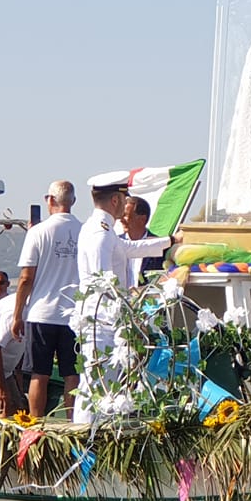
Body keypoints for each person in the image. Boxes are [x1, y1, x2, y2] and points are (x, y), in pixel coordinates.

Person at [72, 172, 175, 418]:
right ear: (116, 200)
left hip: (105, 318)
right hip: (102, 319)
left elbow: (128, 249)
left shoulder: (101, 228)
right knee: (98, 387)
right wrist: (131, 299)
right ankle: (87, 442)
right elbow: (103, 280)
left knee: (103, 386)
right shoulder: (100, 234)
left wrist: (169, 241)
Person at [9, 180, 82, 418]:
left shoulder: (38, 232)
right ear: (73, 201)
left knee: (39, 373)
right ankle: (73, 423)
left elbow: (26, 277)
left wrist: (17, 314)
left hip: (42, 312)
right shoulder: (84, 231)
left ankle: (36, 425)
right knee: (73, 373)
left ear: (50, 200)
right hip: (74, 314)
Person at [121, 197, 168, 286]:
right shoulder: (116, 243)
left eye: (126, 215)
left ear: (142, 219)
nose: (121, 219)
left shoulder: (160, 246)